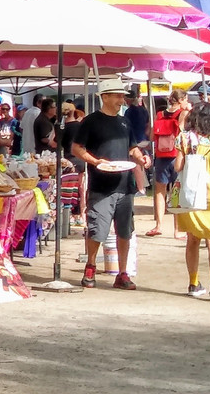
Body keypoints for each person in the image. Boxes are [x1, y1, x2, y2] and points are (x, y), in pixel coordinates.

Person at [71, 78, 152, 290]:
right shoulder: (91, 121)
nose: (121, 99)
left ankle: (122, 273)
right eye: (117, 95)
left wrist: (141, 158)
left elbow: (132, 148)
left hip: (125, 186)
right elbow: (76, 148)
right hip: (101, 186)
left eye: (122, 96)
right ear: (104, 97)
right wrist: (96, 161)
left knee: (125, 231)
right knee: (98, 229)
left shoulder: (125, 122)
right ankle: (90, 266)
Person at [174, 102, 210, 299]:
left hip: (191, 194)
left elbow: (178, 166)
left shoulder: (185, 138)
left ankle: (193, 284)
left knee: (193, 240)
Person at [147, 88, 190, 238]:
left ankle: (158, 225)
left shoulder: (159, 115)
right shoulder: (182, 113)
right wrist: (187, 111)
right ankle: (177, 230)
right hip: (176, 156)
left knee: (160, 191)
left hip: (161, 156)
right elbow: (183, 132)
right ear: (181, 100)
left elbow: (152, 136)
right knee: (176, 192)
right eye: (186, 99)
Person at [124, 86, 150, 195]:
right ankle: (143, 185)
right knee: (141, 163)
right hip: (144, 139)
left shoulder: (129, 112)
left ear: (128, 99)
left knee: (136, 164)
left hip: (135, 140)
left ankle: (140, 188)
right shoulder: (143, 109)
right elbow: (148, 124)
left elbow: (126, 127)